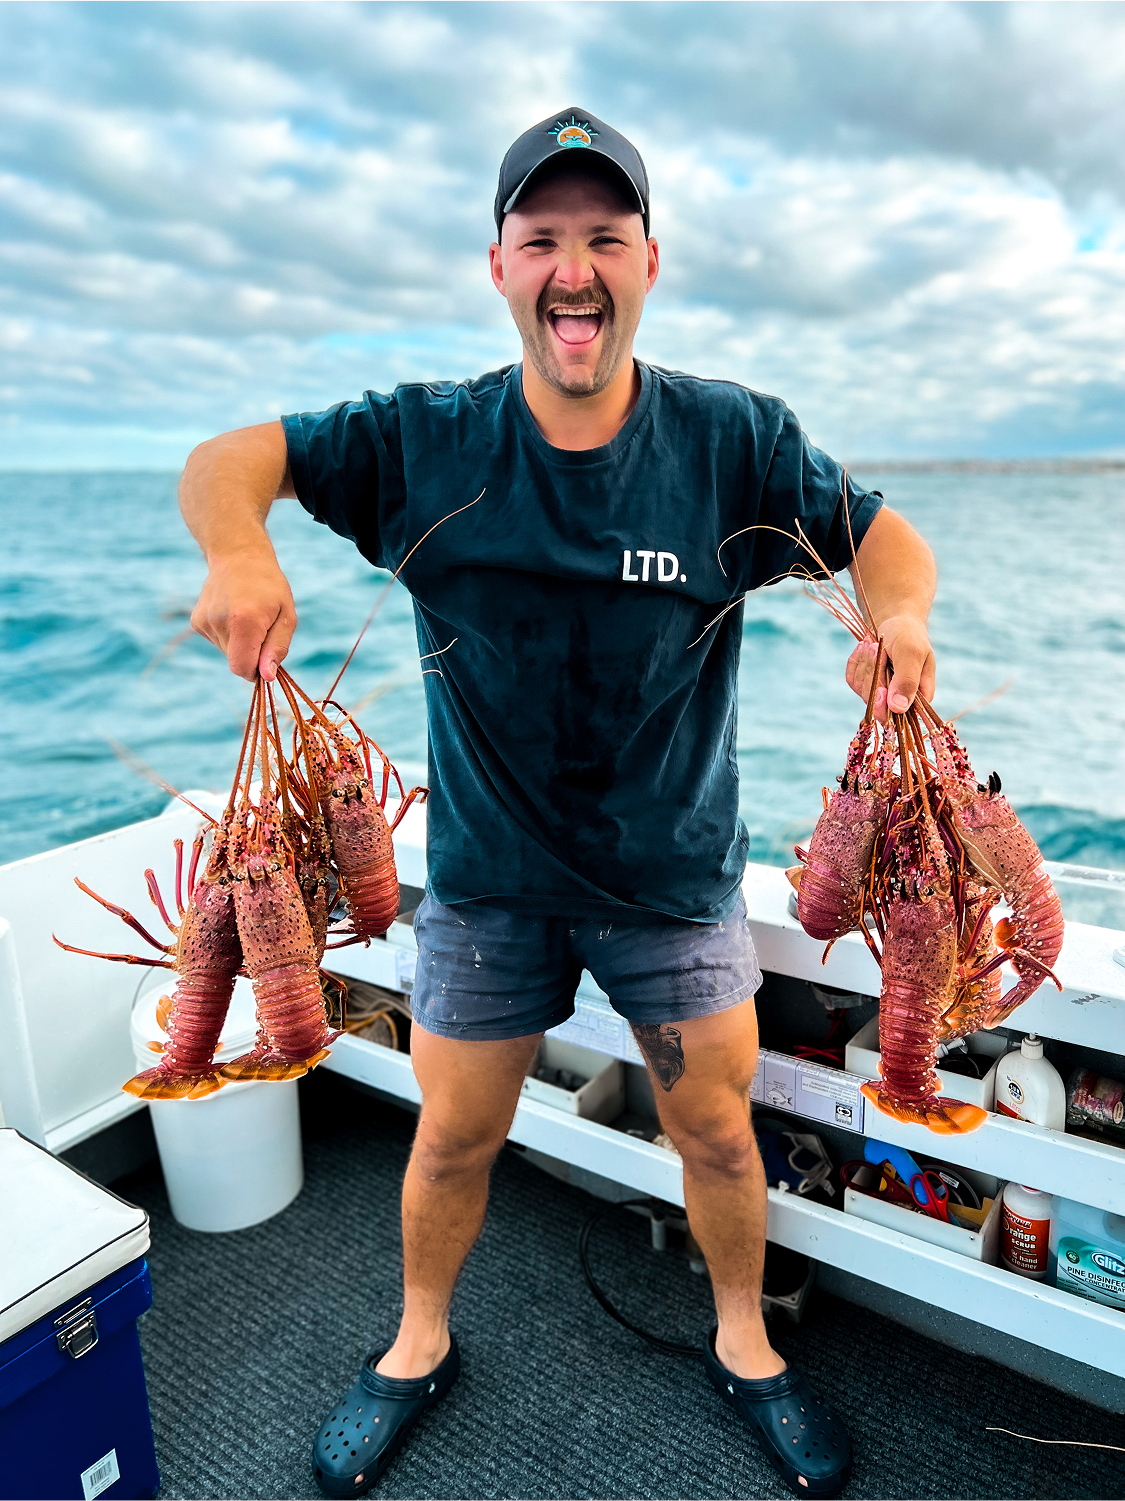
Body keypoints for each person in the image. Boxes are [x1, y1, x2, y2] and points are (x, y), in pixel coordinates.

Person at [182, 108, 936, 1500]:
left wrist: (900, 624)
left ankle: (745, 1340)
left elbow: (886, 540)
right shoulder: (423, 441)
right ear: (499, 265)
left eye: (604, 237)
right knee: (452, 1135)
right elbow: (233, 458)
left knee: (717, 1132)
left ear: (650, 261)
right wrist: (239, 552)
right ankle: (416, 1340)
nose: (573, 270)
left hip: (673, 881)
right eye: (542, 240)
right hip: (487, 883)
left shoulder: (733, 442)